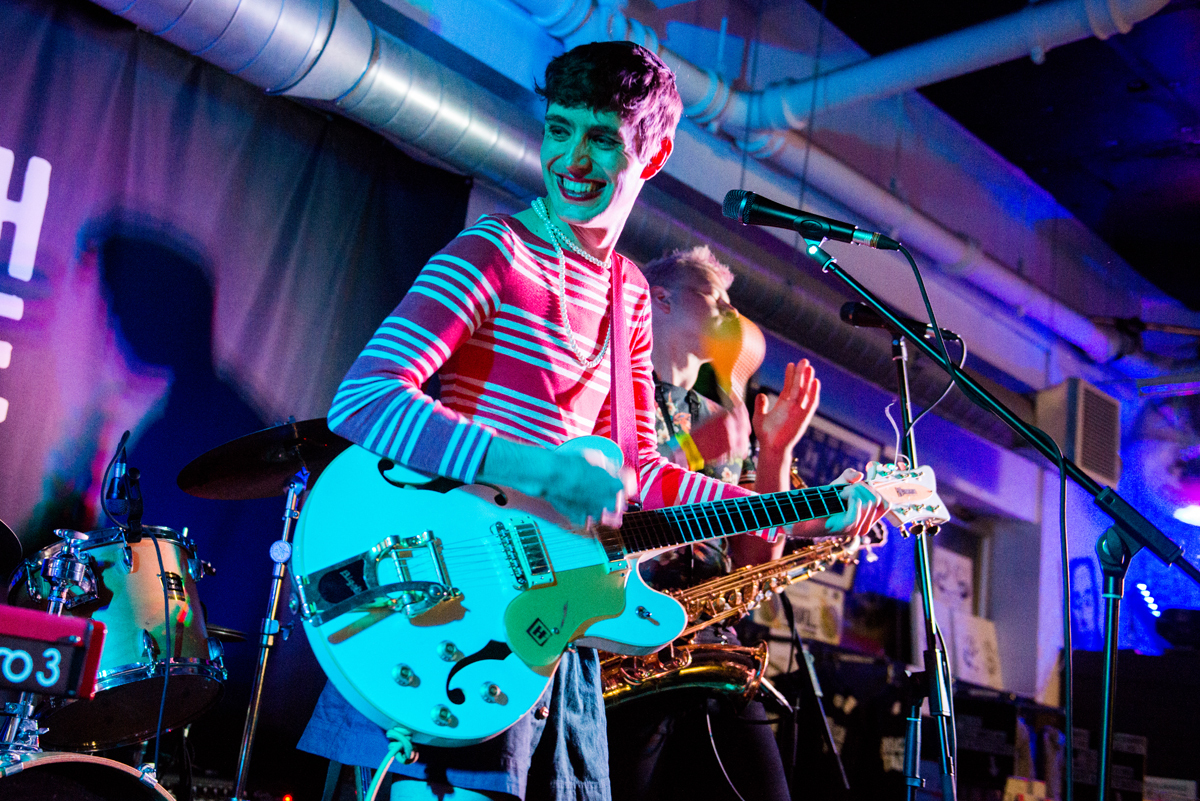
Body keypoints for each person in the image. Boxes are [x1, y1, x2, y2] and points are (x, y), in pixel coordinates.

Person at [298, 41, 886, 801]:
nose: (570, 157)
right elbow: (365, 398)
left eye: (601, 137)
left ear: (656, 150)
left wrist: (808, 510)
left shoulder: (630, 294)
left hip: (552, 632)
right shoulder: (495, 251)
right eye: (559, 129)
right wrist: (541, 469)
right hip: (444, 609)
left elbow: (640, 472)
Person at [606, 245, 833, 801]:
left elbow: (753, 566)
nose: (732, 312)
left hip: (706, 642)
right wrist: (690, 449)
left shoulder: (722, 415)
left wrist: (775, 452)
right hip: (620, 635)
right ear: (658, 299)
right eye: (714, 296)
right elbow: (608, 494)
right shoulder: (610, 383)